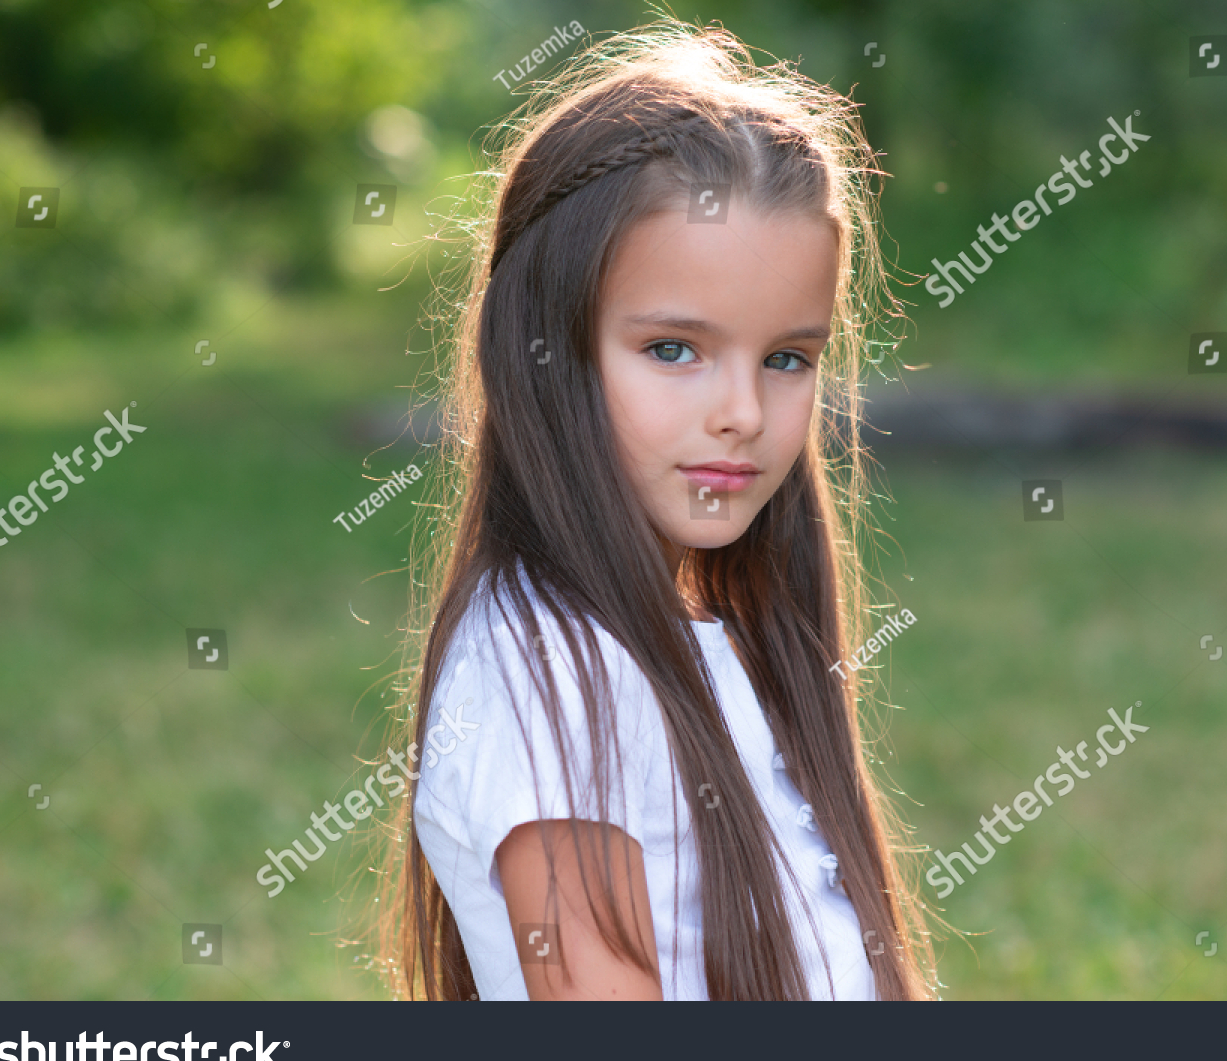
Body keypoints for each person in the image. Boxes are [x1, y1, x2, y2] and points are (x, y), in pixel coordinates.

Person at [371, 18, 936, 1000]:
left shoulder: (723, 641)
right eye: (674, 349)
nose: (743, 415)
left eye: (786, 359)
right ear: (543, 352)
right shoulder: (549, 667)